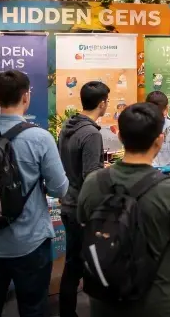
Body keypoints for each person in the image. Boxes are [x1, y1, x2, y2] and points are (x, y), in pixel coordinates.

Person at [77, 103, 170, 317]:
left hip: (105, 300)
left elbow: (84, 229)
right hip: (158, 302)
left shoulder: (93, 182)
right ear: (159, 140)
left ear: (120, 137)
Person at [0, 70, 68, 317]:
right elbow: (59, 188)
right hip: (29, 241)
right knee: (33, 308)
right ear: (26, 96)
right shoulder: (39, 138)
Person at [57, 81, 109, 317]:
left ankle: (67, 311)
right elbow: (91, 176)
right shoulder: (91, 133)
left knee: (73, 264)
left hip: (68, 202)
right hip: (83, 207)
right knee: (90, 263)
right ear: (102, 103)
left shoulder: (67, 127)